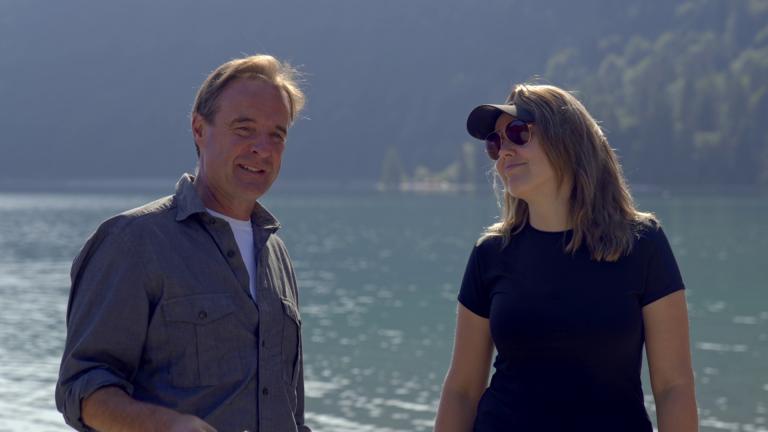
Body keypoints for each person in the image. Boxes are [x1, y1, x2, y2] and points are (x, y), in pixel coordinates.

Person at [56, 54, 311, 432]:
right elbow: (82, 389)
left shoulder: (276, 255)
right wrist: (169, 426)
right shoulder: (133, 242)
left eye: (277, 134)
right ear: (198, 129)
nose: (263, 147)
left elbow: (292, 412)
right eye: (244, 128)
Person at [434, 84, 698, 431]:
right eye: (495, 144)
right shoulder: (491, 254)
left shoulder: (642, 244)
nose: (503, 153)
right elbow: (462, 392)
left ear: (568, 141)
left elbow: (673, 388)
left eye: (517, 133)